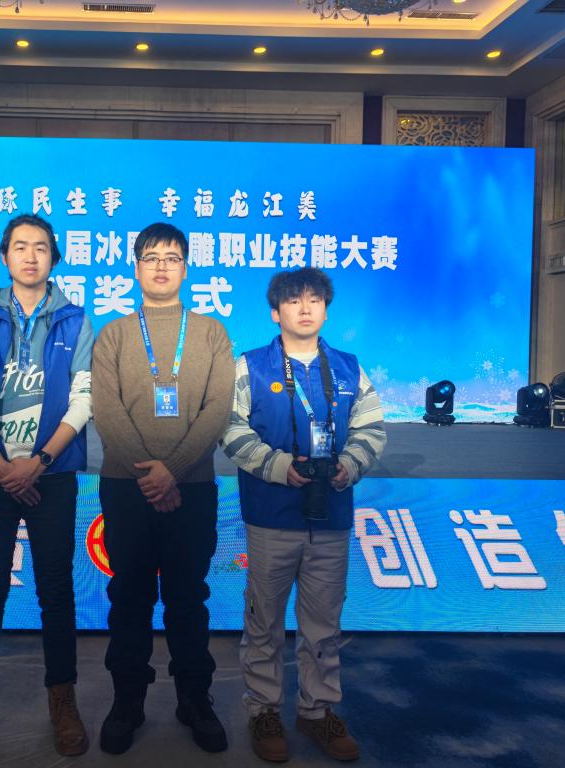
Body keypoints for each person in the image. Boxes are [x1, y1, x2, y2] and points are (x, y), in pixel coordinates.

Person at [221, 267, 386, 763]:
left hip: (330, 515)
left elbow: (372, 429)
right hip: (271, 515)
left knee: (323, 625)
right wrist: (277, 466)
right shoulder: (249, 367)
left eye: (315, 300)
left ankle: (317, 711)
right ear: (276, 312)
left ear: (326, 310)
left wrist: (351, 464)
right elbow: (229, 429)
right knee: (264, 622)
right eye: (294, 301)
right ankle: (263, 711)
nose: (306, 308)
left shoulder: (349, 368)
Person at [0, 213, 93, 758]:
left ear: (55, 257)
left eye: (41, 248)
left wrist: (40, 460)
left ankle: (63, 700)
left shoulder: (75, 320)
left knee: (56, 589)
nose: (31, 256)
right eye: (20, 247)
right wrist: (2, 465)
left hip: (52, 475)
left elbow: (84, 398)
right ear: (4, 256)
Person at [91, 222, 234, 755]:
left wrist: (172, 470)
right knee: (128, 595)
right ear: (135, 267)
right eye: (150, 257)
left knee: (187, 597)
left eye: (171, 257)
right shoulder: (114, 334)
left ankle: (194, 699)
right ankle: (126, 701)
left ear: (186, 267)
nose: (161, 266)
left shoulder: (212, 333)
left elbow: (216, 410)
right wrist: (152, 476)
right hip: (125, 490)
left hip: (193, 489)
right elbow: (107, 411)